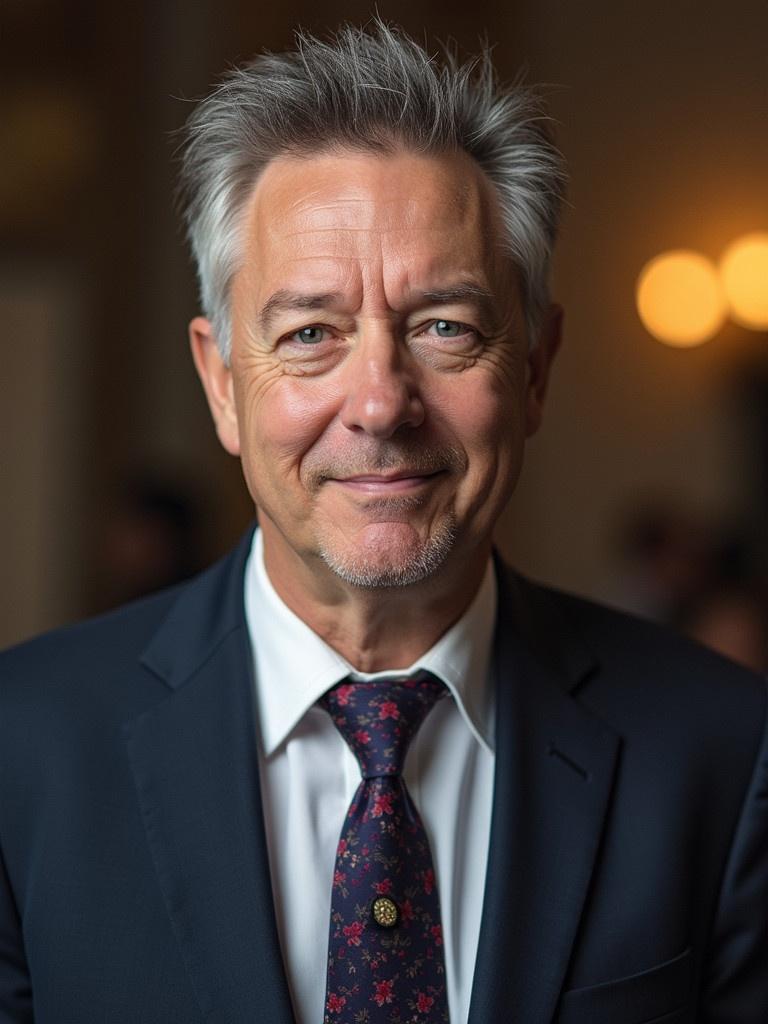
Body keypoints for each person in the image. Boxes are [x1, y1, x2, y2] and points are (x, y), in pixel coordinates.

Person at [1, 22, 766, 1024]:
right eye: (310, 334)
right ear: (222, 384)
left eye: (444, 327)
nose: (379, 402)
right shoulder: (22, 751)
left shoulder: (725, 751)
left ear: (533, 368)